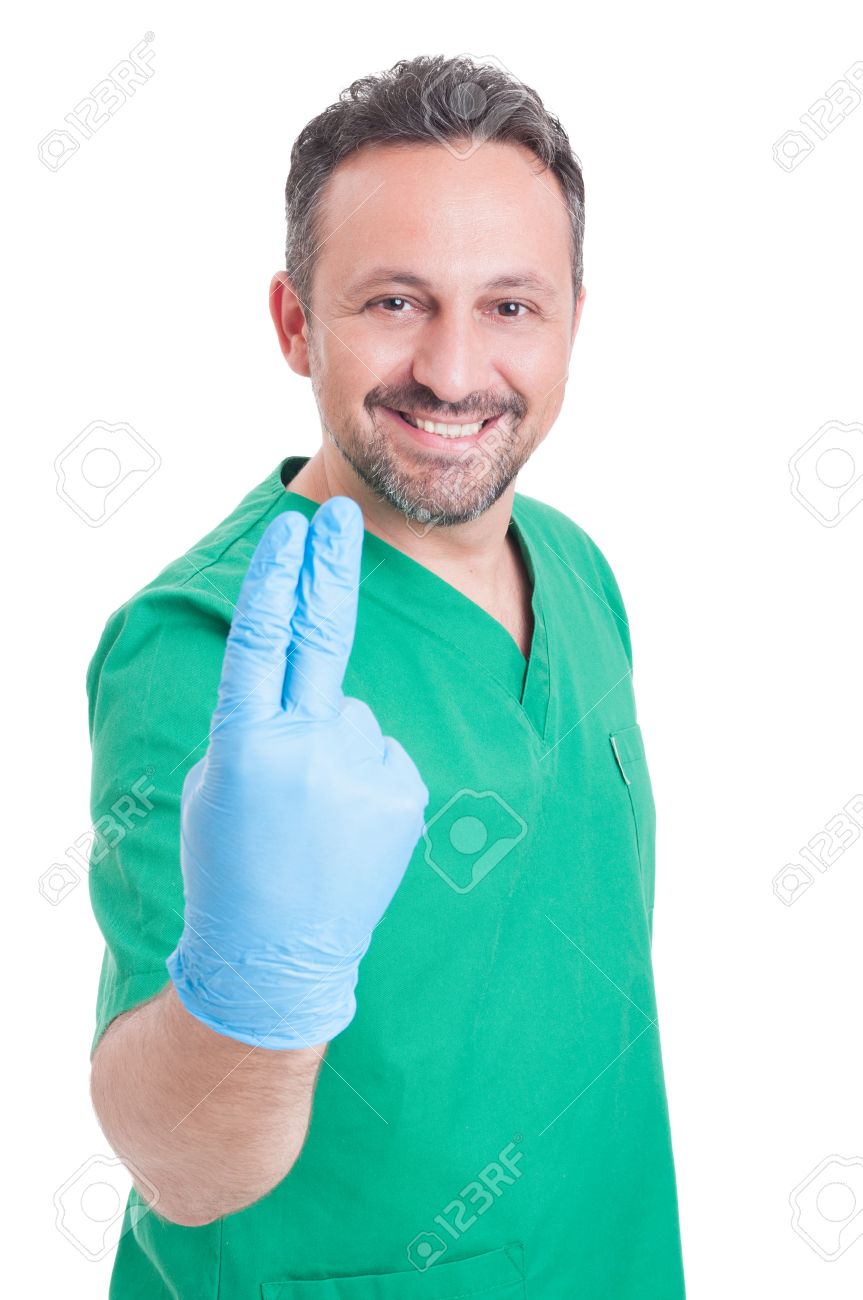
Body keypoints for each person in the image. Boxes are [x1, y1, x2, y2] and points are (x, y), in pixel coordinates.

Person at [87, 53, 687, 1299]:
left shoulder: (574, 567)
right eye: (395, 301)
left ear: (573, 321)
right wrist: (255, 986)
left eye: (509, 305)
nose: (454, 370)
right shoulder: (206, 646)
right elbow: (179, 1164)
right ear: (294, 322)